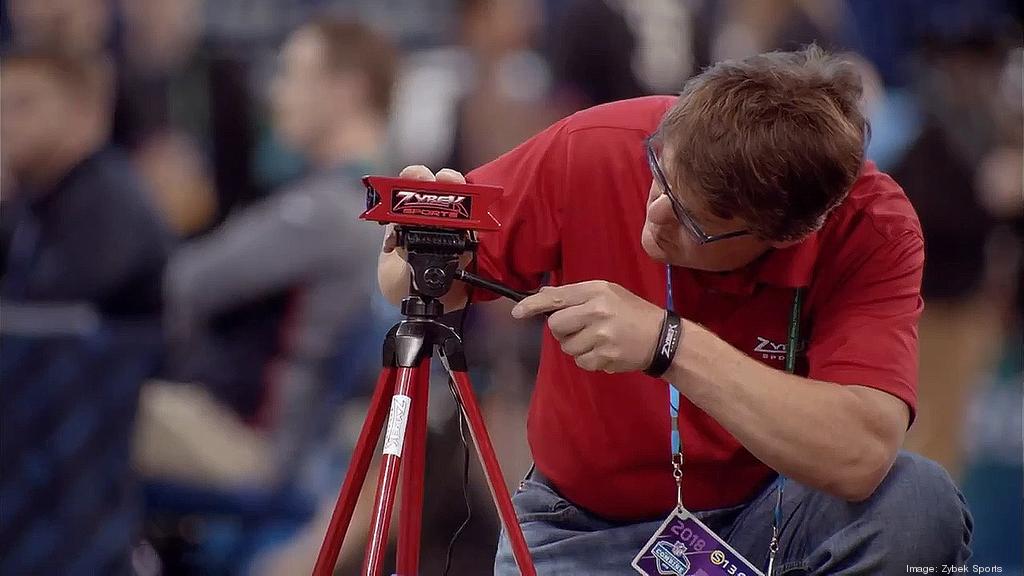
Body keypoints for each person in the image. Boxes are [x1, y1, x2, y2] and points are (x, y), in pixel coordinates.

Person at [379, 46, 973, 574]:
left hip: (772, 516)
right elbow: (415, 281)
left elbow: (863, 454)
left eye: (694, 221)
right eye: (659, 174)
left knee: (917, 502)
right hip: (581, 526)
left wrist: (670, 346)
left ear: (786, 234)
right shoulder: (602, 143)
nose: (653, 215)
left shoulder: (872, 227)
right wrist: (416, 246)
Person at [163, 18, 395, 481]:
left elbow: (180, 284)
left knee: (76, 405)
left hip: (257, 443)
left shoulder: (324, 210)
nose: (275, 93)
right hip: (288, 436)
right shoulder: (378, 201)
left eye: (291, 74)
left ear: (346, 91)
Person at [0, 50, 173, 317]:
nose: (6, 124)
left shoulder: (107, 201)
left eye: (23, 105)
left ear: (83, 114)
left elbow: (50, 319)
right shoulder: (34, 198)